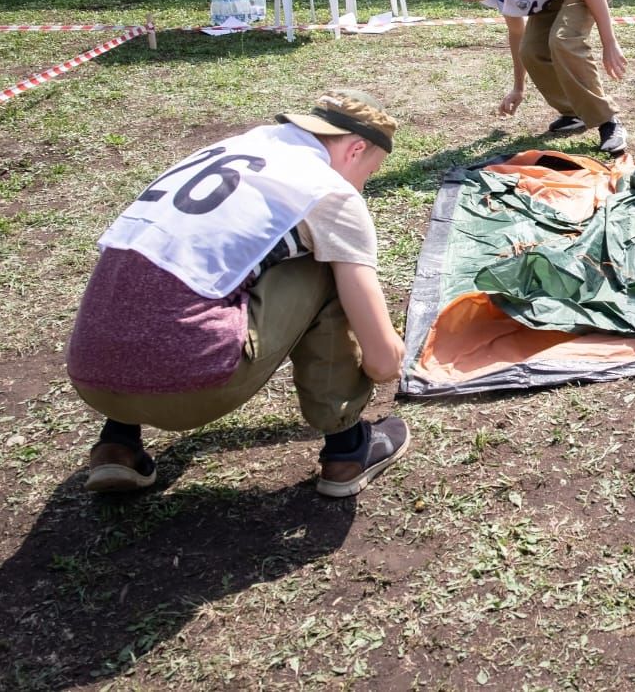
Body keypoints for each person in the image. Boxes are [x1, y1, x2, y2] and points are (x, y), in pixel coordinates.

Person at [66, 91, 410, 498]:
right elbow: (383, 363)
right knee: (327, 264)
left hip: (91, 377)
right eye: (369, 173)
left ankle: (117, 443)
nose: (363, 186)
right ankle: (348, 449)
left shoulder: (236, 147)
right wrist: (392, 355)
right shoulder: (329, 190)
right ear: (356, 150)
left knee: (158, 282)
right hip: (190, 389)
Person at [431, 0, 630, 154]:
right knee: (531, 51)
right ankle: (574, 112)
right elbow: (517, 32)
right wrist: (518, 88)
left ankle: (609, 122)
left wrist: (609, 42)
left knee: (564, 40)